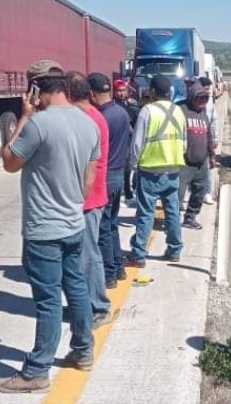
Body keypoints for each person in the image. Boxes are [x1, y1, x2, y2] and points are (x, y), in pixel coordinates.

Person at [0, 60, 100, 393]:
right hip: (72, 222)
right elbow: (89, 177)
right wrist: (71, 202)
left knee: (48, 300)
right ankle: (83, 351)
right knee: (77, 288)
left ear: (35, 88)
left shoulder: (38, 124)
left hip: (44, 228)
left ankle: (38, 369)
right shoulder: (89, 124)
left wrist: (24, 115)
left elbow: (9, 162)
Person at [66, 71, 112, 329]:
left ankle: (98, 306)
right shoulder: (93, 116)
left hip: (88, 197)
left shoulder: (85, 119)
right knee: (81, 254)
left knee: (88, 254)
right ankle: (85, 304)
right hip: (90, 195)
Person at [126, 74, 186, 268]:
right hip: (173, 169)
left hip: (150, 170)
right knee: (173, 211)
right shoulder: (178, 111)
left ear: (152, 91)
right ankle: (175, 250)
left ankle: (139, 254)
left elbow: (137, 143)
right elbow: (183, 142)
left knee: (146, 213)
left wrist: (133, 165)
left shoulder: (147, 111)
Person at [89, 73, 131, 288]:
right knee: (112, 224)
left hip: (106, 175)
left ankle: (109, 274)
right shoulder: (121, 112)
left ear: (92, 94)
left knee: (103, 228)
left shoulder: (100, 117)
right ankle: (118, 266)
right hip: (118, 174)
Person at [178, 82, 215, 230]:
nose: (203, 102)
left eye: (205, 99)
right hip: (184, 162)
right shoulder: (181, 110)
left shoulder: (204, 114)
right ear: (192, 97)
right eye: (200, 98)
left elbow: (209, 136)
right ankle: (173, 219)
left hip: (201, 162)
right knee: (178, 193)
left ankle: (190, 217)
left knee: (199, 192)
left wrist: (212, 156)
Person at [114, 78, 140, 205]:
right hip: (119, 142)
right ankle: (126, 193)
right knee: (123, 169)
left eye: (123, 90)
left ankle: (129, 191)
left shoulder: (131, 105)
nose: (121, 93)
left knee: (129, 168)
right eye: (118, 91)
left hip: (130, 141)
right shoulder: (114, 106)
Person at [199, 76, 220, 205]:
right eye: (205, 89)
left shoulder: (210, 102)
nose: (207, 92)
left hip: (206, 137)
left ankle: (207, 193)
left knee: (207, 167)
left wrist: (215, 137)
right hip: (194, 137)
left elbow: (214, 120)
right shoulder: (192, 100)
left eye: (209, 90)